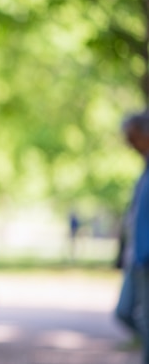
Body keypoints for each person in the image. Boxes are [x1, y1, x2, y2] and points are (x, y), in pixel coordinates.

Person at [115, 112, 149, 362]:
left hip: (146, 258)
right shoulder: (144, 169)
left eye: (132, 137)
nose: (129, 144)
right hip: (135, 258)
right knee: (124, 312)